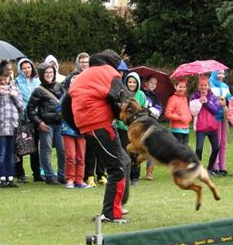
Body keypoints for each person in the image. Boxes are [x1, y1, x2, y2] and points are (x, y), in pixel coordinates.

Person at [65, 50, 132, 223]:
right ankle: (111, 213)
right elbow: (126, 101)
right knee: (117, 168)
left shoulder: (83, 76)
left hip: (89, 126)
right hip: (99, 125)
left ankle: (117, 204)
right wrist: (143, 121)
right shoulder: (107, 72)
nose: (119, 72)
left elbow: (65, 105)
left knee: (124, 160)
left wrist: (79, 127)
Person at [27, 62, 66, 185]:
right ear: (42, 74)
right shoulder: (38, 91)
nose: (49, 74)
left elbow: (65, 103)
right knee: (46, 150)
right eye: (46, 72)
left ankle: (62, 174)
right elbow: (30, 109)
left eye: (51, 72)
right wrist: (39, 122)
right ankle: (49, 176)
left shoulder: (60, 87)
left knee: (62, 150)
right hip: (46, 124)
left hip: (59, 123)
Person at [0, 62, 24, 188]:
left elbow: (21, 107)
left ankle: (10, 177)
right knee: (1, 152)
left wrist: (14, 96)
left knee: (11, 152)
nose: (3, 82)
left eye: (5, 79)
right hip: (0, 125)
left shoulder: (15, 87)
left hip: (13, 124)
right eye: (0, 80)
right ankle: (1, 177)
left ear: (9, 78)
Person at [115, 72, 148, 185]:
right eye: (130, 82)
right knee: (124, 152)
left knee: (136, 152)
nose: (132, 84)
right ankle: (126, 176)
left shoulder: (141, 95)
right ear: (126, 82)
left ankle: (135, 176)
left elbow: (144, 111)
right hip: (123, 128)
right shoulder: (123, 94)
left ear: (138, 83)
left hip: (137, 129)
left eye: (134, 82)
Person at [14, 58, 42, 183]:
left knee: (34, 147)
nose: (27, 70)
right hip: (22, 118)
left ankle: (37, 173)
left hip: (35, 117)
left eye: (29, 67)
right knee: (20, 145)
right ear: (20, 69)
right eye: (24, 68)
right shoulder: (16, 82)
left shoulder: (37, 81)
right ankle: (20, 173)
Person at [190, 77, 221, 177]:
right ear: (198, 86)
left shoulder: (212, 96)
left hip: (212, 127)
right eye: (201, 85)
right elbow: (193, 111)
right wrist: (199, 102)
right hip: (200, 127)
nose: (203, 87)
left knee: (216, 148)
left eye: (205, 85)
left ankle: (210, 169)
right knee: (199, 149)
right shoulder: (194, 96)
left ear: (208, 86)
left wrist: (207, 102)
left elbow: (215, 110)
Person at [209, 70, 232, 176]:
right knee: (216, 143)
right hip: (214, 117)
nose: (221, 76)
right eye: (218, 73)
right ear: (214, 74)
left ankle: (222, 166)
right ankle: (214, 166)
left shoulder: (225, 86)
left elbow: (230, 99)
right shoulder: (210, 84)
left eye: (223, 73)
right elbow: (208, 100)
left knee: (223, 142)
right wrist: (218, 102)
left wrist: (226, 102)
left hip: (224, 116)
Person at [142, 75, 164, 180]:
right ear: (145, 83)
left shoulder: (156, 97)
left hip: (152, 124)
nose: (153, 85)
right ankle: (134, 170)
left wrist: (150, 109)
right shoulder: (141, 93)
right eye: (151, 82)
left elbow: (159, 112)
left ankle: (149, 171)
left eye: (155, 84)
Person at [165, 78, 192, 145]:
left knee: (185, 151)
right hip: (177, 130)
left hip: (186, 129)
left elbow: (186, 111)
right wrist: (180, 118)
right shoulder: (172, 98)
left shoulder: (185, 98)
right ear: (175, 86)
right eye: (180, 87)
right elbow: (167, 114)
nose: (182, 89)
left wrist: (189, 117)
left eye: (184, 87)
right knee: (179, 152)